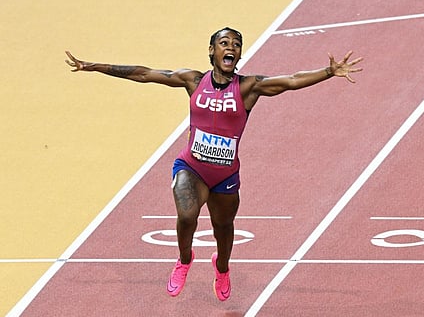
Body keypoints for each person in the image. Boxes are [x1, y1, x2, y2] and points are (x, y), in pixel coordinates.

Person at [65, 27, 363, 301]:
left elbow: (291, 81)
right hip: (192, 167)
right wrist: (95, 66)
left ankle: (221, 268)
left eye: (236, 44)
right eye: (224, 43)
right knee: (186, 215)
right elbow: (144, 74)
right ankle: (184, 261)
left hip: (225, 176)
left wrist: (328, 71)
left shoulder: (248, 88)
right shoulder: (193, 80)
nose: (230, 47)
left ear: (239, 55)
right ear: (211, 51)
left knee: (223, 227)